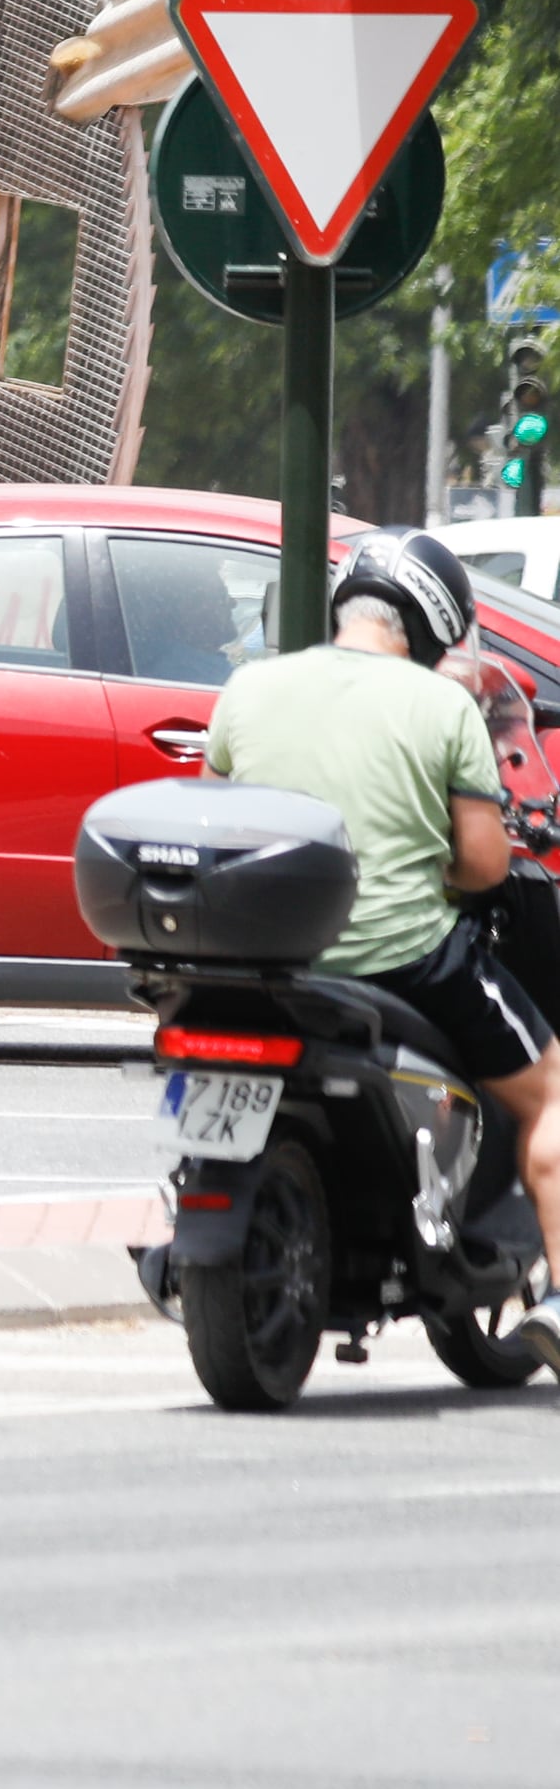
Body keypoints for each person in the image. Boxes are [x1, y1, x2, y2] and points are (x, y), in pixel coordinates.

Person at [204, 530, 560, 1367]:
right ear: (434, 626)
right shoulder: (441, 707)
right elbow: (480, 864)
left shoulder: (250, 687)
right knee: (550, 1092)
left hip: (270, 961)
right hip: (405, 959)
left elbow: (216, 817)